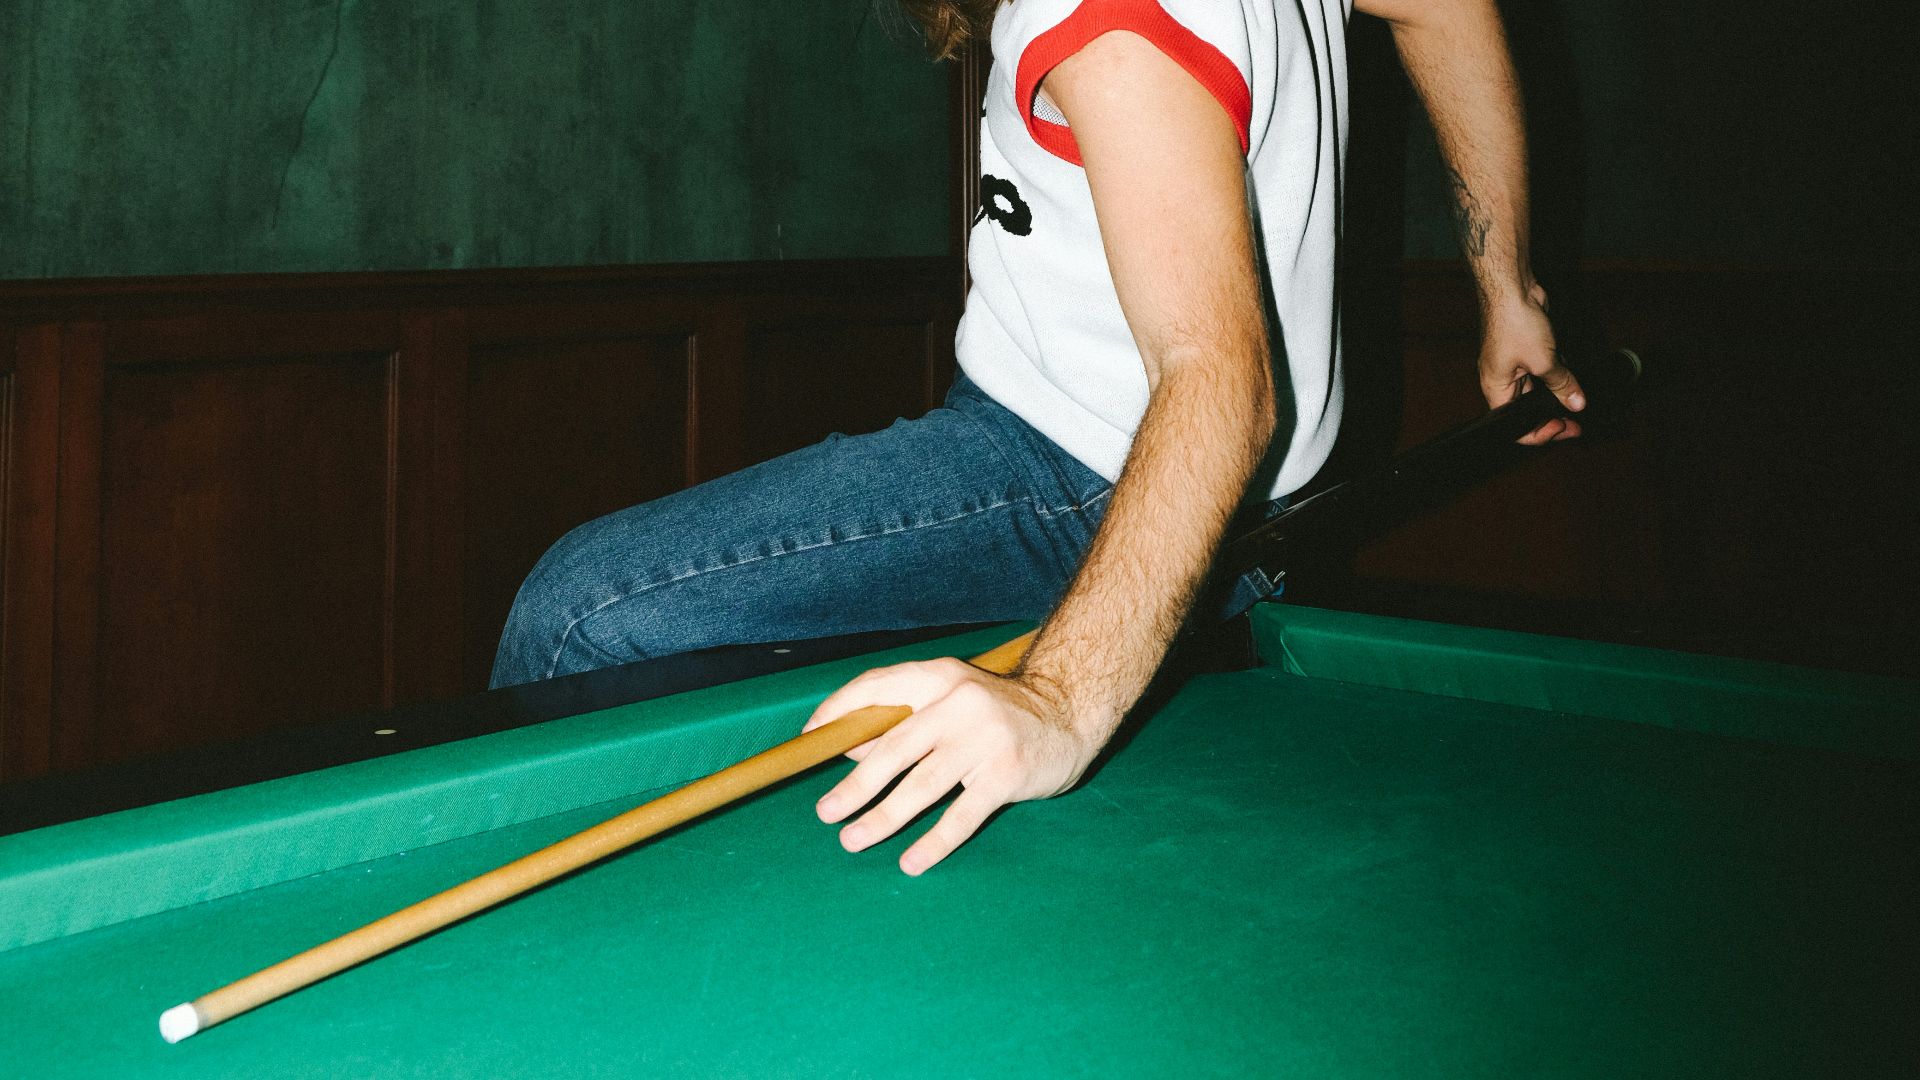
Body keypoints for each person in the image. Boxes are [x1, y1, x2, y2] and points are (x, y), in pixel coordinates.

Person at [491, 0, 1584, 875]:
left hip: (1082, 474)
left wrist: (1059, 700)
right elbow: (1443, 8)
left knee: (580, 614)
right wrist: (1509, 288)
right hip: (1216, 497)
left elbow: (1220, 383)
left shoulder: (1103, 20)